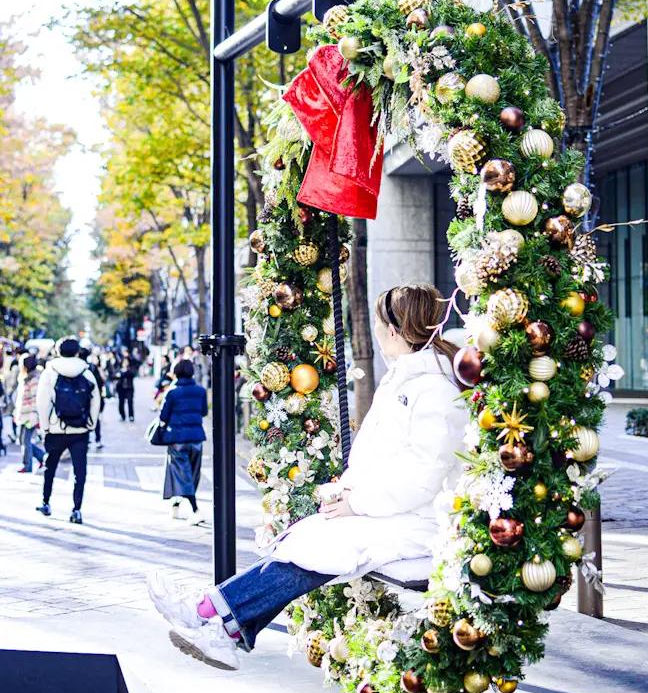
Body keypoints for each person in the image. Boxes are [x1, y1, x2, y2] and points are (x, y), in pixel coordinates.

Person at [148, 284, 466, 671]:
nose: (376, 332)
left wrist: (357, 503)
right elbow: (385, 458)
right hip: (392, 509)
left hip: (423, 520)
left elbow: (423, 475)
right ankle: (216, 621)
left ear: (394, 331)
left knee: (322, 546)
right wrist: (348, 493)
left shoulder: (434, 388)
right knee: (307, 539)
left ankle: (211, 616)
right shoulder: (404, 379)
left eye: (378, 324)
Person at [35, 337, 101, 524]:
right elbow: (95, 400)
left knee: (50, 466)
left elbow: (43, 402)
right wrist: (91, 424)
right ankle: (76, 509)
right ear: (77, 352)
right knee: (80, 470)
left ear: (57, 352)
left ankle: (46, 502)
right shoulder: (86, 372)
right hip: (80, 429)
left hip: (55, 428)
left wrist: (45, 426)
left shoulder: (50, 372)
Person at [158, 359, 208, 525]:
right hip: (196, 438)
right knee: (191, 474)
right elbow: (203, 412)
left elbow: (163, 416)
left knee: (181, 475)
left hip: (177, 439)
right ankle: (176, 504)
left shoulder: (172, 392)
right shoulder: (200, 390)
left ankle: (195, 510)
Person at [14, 354, 45, 473]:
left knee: (25, 440)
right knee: (23, 439)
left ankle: (28, 465)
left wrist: (34, 416)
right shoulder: (26, 378)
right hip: (24, 415)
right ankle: (42, 458)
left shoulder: (33, 380)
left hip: (30, 416)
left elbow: (35, 400)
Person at [79, 347, 105, 449]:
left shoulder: (77, 369)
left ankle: (88, 438)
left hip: (81, 398)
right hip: (93, 396)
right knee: (95, 417)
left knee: (84, 417)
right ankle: (98, 439)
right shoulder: (91, 367)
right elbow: (100, 381)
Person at [115, 357, 136, 422]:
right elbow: (114, 375)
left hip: (129, 388)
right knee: (121, 403)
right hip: (121, 388)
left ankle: (131, 416)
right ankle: (122, 415)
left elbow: (132, 374)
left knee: (130, 402)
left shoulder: (130, 369)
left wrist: (123, 373)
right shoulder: (118, 369)